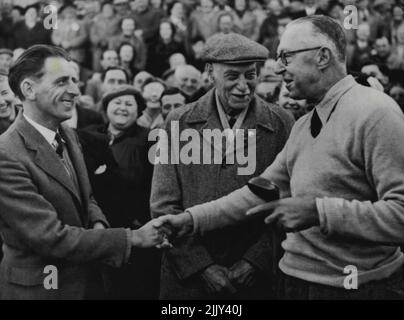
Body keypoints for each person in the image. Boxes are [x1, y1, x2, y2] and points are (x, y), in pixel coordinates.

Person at [160, 15, 404, 299]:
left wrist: (320, 212)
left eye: (286, 56)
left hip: (354, 289)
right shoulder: (303, 124)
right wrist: (190, 220)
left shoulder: (376, 113)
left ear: (322, 56)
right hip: (292, 282)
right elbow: (258, 193)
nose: (278, 68)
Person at [0, 45, 168, 300]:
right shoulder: (6, 154)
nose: (75, 91)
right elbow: (49, 237)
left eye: (75, 81)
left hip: (88, 283)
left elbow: (86, 197)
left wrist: (98, 223)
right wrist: (132, 238)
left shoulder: (68, 133)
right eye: (62, 82)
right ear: (28, 89)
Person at [151, 32, 294, 299]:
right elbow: (163, 205)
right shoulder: (178, 121)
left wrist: (256, 261)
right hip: (189, 281)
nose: (243, 86)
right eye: (232, 77)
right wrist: (201, 267)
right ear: (210, 73)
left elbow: (290, 199)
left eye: (250, 75)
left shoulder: (281, 123)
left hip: (255, 280)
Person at [78, 85, 160, 299]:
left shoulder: (150, 139)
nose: (122, 108)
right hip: (91, 226)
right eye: (117, 102)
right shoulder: (87, 135)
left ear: (139, 110)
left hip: (132, 227)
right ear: (106, 108)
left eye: (129, 104)